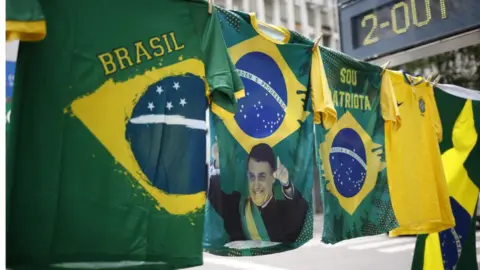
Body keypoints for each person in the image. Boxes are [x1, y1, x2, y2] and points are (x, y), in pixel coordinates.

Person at [208, 142, 308, 243]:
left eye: (262, 177)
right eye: (252, 176)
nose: (256, 184)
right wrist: (218, 162)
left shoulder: (284, 207)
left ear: (273, 177)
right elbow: (217, 199)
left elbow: (300, 216)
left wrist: (287, 185)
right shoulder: (239, 206)